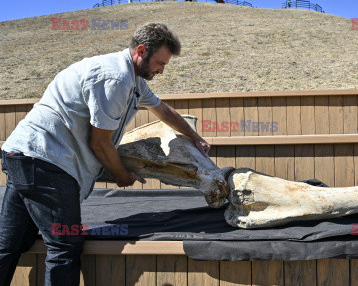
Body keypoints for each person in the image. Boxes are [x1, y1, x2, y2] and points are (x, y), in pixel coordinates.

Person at [0, 22, 210, 285]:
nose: (162, 70)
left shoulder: (133, 80)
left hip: (23, 155)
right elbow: (99, 143)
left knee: (9, 243)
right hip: (45, 163)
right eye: (160, 63)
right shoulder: (116, 78)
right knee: (64, 246)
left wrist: (195, 136)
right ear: (141, 51)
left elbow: (162, 110)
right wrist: (121, 175)